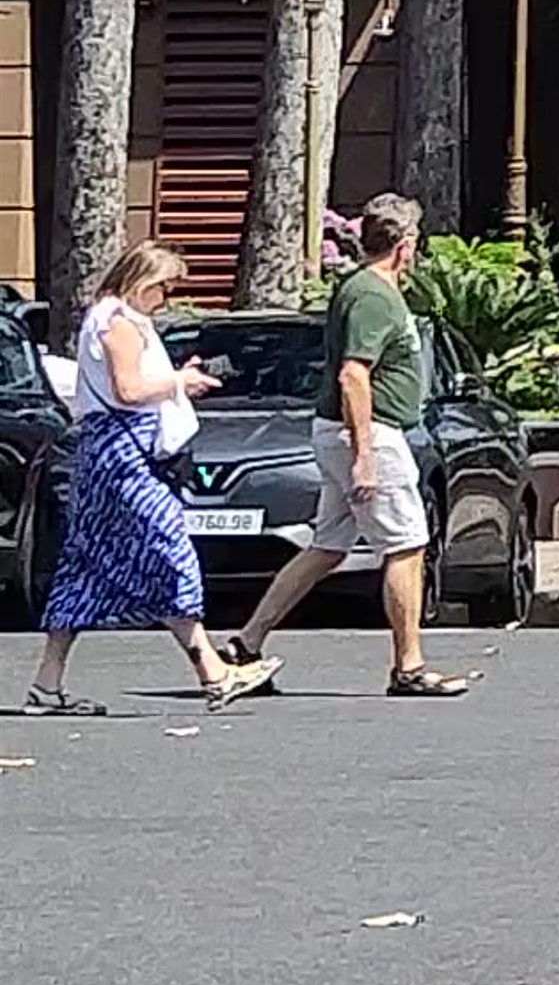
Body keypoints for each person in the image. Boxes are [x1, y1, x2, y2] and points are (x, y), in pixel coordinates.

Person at [235, 189, 464, 700]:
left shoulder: (362, 287)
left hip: (346, 432)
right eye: (415, 241)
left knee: (326, 546)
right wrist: (364, 457)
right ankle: (409, 666)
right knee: (406, 546)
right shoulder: (373, 296)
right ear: (404, 245)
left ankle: (248, 643)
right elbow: (354, 376)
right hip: (370, 434)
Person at [24, 242, 270, 712]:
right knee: (169, 546)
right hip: (125, 454)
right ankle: (213, 672)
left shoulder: (111, 318)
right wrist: (181, 382)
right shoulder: (119, 322)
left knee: (88, 561)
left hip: (107, 454)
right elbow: (129, 389)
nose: (166, 297)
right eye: (164, 287)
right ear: (142, 281)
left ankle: (47, 683)